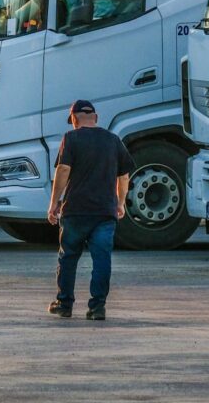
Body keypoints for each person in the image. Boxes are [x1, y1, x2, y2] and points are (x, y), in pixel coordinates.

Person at [47, 99, 135, 321]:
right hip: (105, 213)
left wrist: (54, 203)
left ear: (74, 119)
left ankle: (64, 304)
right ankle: (97, 307)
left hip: (75, 210)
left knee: (68, 258)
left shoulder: (71, 138)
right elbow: (124, 176)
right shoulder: (113, 140)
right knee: (102, 259)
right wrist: (120, 203)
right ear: (95, 118)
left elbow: (64, 169)